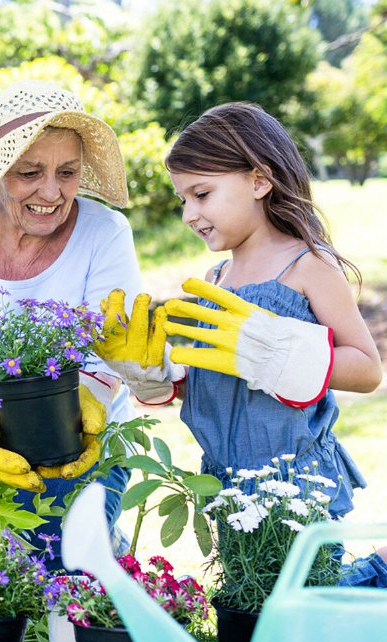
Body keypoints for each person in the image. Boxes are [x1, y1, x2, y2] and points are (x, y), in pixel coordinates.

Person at [95, 101, 387, 586]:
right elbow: (221, 378)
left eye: (202, 194)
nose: (189, 213)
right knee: (249, 595)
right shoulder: (217, 278)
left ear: (259, 180)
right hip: (228, 477)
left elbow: (367, 367)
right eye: (182, 199)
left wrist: (285, 354)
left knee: (299, 603)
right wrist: (156, 379)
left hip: (294, 479)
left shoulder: (306, 266)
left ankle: (379, 571)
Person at [0, 80, 144, 567]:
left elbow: (111, 359)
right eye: (29, 172)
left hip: (78, 453)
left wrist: (89, 407)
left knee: (62, 577)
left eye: (67, 172)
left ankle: (100, 543)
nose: (51, 192)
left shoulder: (105, 233)